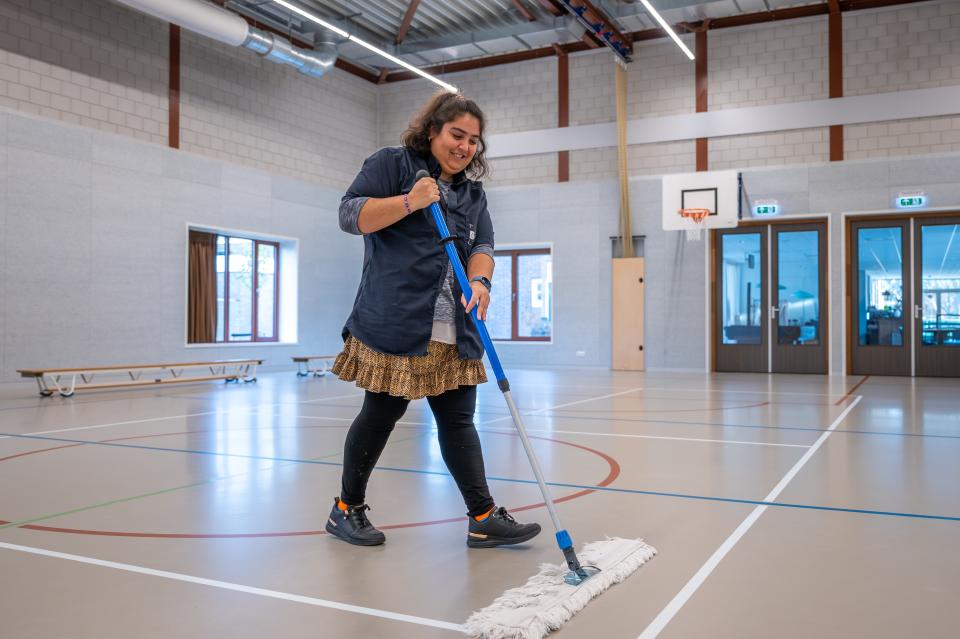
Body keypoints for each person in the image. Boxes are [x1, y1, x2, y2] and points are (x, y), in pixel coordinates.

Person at [326, 91, 541, 549]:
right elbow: (349, 215)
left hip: (454, 328)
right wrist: (409, 201)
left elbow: (483, 245)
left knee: (459, 421)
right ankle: (346, 510)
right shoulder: (393, 165)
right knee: (381, 415)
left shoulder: (472, 192)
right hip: (397, 321)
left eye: (473, 141)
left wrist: (481, 283)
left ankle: (482, 517)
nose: (465, 147)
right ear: (432, 132)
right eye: (456, 135)